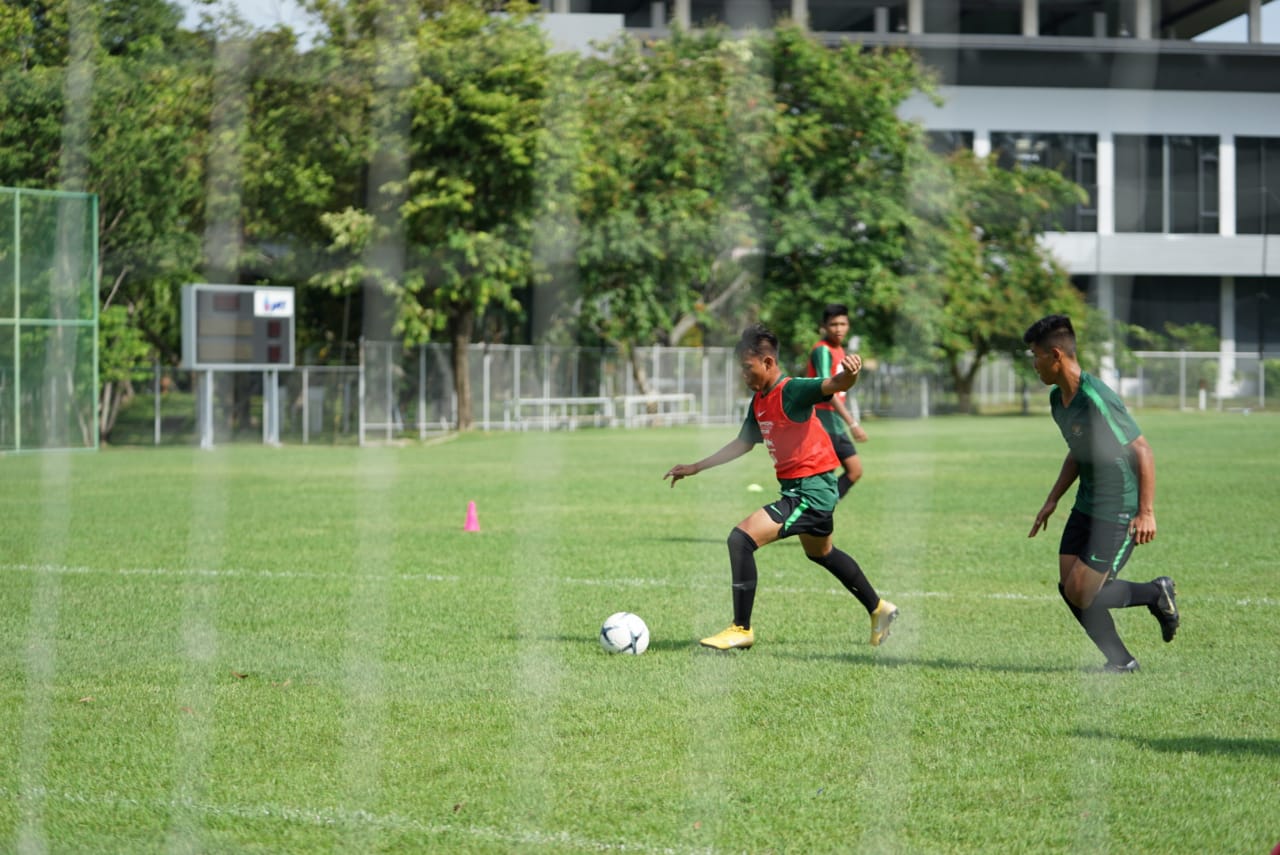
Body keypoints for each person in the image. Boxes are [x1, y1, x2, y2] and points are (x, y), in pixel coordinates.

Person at [664, 323, 897, 650]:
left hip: (811, 491)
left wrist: (852, 374)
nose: (744, 375)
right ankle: (879, 609)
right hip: (801, 490)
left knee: (740, 539)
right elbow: (743, 443)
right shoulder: (759, 401)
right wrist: (695, 467)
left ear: (769, 363)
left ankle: (741, 629)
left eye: (748, 368)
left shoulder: (793, 390)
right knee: (822, 553)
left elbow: (836, 382)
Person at [1023, 314, 1179, 673]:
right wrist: (1053, 498)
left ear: (1056, 355)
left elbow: (1142, 449)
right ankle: (1121, 661)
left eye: (1036, 355)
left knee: (1083, 592)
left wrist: (1146, 512)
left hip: (1117, 507)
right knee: (1070, 587)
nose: (1034, 364)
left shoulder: (1096, 397)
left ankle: (1156, 593)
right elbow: (1079, 452)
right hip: (1086, 503)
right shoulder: (1057, 400)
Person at [805, 303, 869, 500]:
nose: (839, 328)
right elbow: (828, 389)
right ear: (824, 326)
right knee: (828, 476)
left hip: (835, 421)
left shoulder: (839, 350)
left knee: (854, 471)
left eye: (843, 323)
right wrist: (853, 423)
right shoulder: (822, 350)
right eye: (833, 324)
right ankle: (817, 512)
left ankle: (823, 509)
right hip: (822, 422)